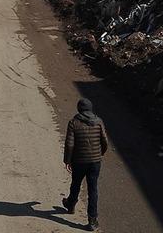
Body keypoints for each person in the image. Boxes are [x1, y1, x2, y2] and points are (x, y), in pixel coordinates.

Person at [62, 98, 108, 231]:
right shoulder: (99, 121)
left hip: (79, 161)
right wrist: (100, 154)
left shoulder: (73, 122)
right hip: (95, 162)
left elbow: (69, 144)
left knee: (76, 183)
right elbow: (105, 140)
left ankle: (71, 206)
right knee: (93, 189)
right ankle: (92, 221)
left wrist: (68, 160)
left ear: (79, 109)